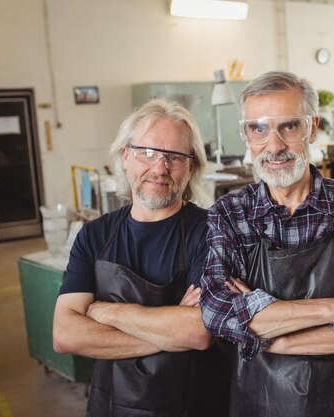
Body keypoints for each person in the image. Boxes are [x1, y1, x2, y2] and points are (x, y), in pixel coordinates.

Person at [199, 71, 334, 417]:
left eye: (289, 126)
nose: (274, 145)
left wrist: (268, 335)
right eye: (259, 128)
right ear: (245, 136)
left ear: (311, 128)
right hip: (261, 404)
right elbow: (216, 312)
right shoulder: (231, 215)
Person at [53, 99, 230, 417]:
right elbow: (65, 335)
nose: (159, 168)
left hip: (194, 404)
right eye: (146, 153)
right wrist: (170, 327)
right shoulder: (94, 236)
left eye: (174, 157)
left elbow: (197, 332)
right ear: (125, 157)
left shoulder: (212, 231)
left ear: (190, 168)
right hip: (112, 404)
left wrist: (104, 312)